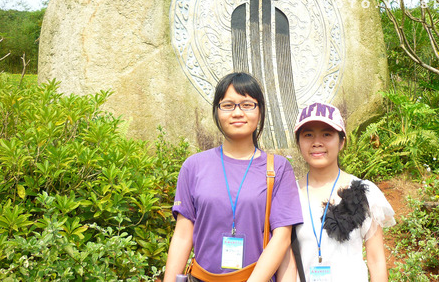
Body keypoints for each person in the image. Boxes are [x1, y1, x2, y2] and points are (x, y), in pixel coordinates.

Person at [163, 72, 303, 282]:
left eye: (247, 105)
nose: (237, 113)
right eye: (228, 105)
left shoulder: (278, 168)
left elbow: (282, 238)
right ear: (217, 112)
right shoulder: (194, 166)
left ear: (260, 111)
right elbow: (183, 236)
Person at [280, 102, 395, 282]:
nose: (317, 143)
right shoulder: (289, 195)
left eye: (327, 134)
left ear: (341, 142)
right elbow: (286, 262)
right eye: (308, 135)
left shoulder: (364, 193)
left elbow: (376, 260)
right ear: (299, 143)